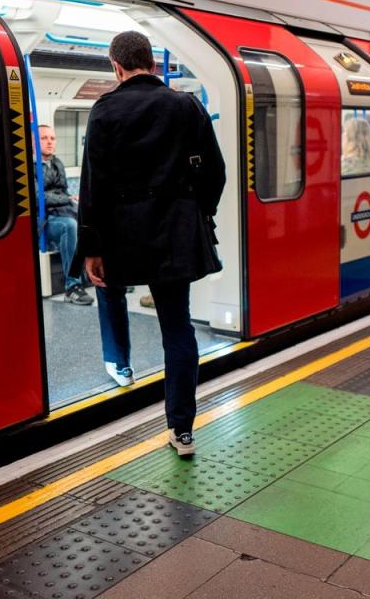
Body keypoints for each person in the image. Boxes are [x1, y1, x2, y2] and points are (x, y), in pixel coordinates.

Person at [74, 31, 225, 456]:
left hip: (123, 237)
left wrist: (93, 247)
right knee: (177, 327)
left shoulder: (105, 110)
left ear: (116, 66)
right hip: (177, 234)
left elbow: (93, 185)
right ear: (153, 65)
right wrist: (197, 212)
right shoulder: (185, 105)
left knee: (110, 292)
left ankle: (119, 364)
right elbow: (215, 172)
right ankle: (182, 430)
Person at [39, 125, 93, 306]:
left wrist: (71, 199)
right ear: (33, 142)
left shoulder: (57, 163)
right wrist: (67, 198)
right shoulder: (29, 167)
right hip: (45, 219)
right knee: (69, 226)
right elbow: (38, 197)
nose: (49, 142)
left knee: (93, 220)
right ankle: (72, 286)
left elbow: (61, 191)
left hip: (61, 211)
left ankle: (101, 272)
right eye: (44, 138)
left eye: (52, 139)